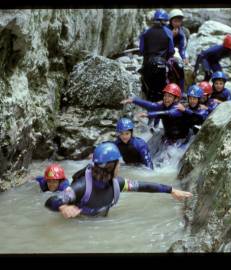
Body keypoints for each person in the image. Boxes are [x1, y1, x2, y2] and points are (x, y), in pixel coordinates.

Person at [45, 142, 192, 218]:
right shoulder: (82, 186)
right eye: (118, 164)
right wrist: (63, 207)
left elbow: (144, 186)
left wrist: (171, 190)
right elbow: (52, 201)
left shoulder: (118, 184)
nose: (120, 167)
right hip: (79, 226)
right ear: (111, 166)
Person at [121, 83, 192, 144]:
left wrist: (148, 114)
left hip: (182, 139)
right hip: (169, 137)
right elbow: (151, 105)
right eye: (165, 95)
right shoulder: (163, 105)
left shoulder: (177, 108)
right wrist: (133, 100)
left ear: (176, 99)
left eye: (169, 96)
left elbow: (167, 113)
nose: (166, 98)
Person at [139, 9, 175, 102]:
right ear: (164, 20)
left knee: (148, 90)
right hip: (161, 63)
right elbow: (171, 50)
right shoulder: (168, 32)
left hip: (147, 64)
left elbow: (141, 50)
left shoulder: (146, 32)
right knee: (160, 91)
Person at [166, 9, 189, 92]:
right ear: (170, 21)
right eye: (175, 21)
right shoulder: (165, 29)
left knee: (180, 68)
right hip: (165, 51)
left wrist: (184, 57)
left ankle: (181, 92)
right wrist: (171, 36)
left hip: (175, 51)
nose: (177, 24)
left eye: (179, 21)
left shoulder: (181, 32)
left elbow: (182, 47)